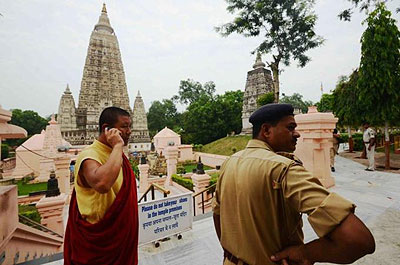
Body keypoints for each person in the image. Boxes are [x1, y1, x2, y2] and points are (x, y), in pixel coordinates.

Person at [212, 103, 375, 265]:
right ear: (267, 130)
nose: (297, 134)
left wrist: (229, 250)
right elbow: (359, 240)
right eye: (290, 128)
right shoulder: (284, 169)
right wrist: (304, 253)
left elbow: (217, 213)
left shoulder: (230, 162)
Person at [64, 106, 138, 265]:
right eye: (124, 126)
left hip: (121, 239)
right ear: (107, 129)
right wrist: (118, 146)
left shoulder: (117, 156)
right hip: (98, 245)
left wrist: (117, 149)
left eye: (129, 126)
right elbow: (102, 184)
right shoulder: (89, 155)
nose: (129, 131)